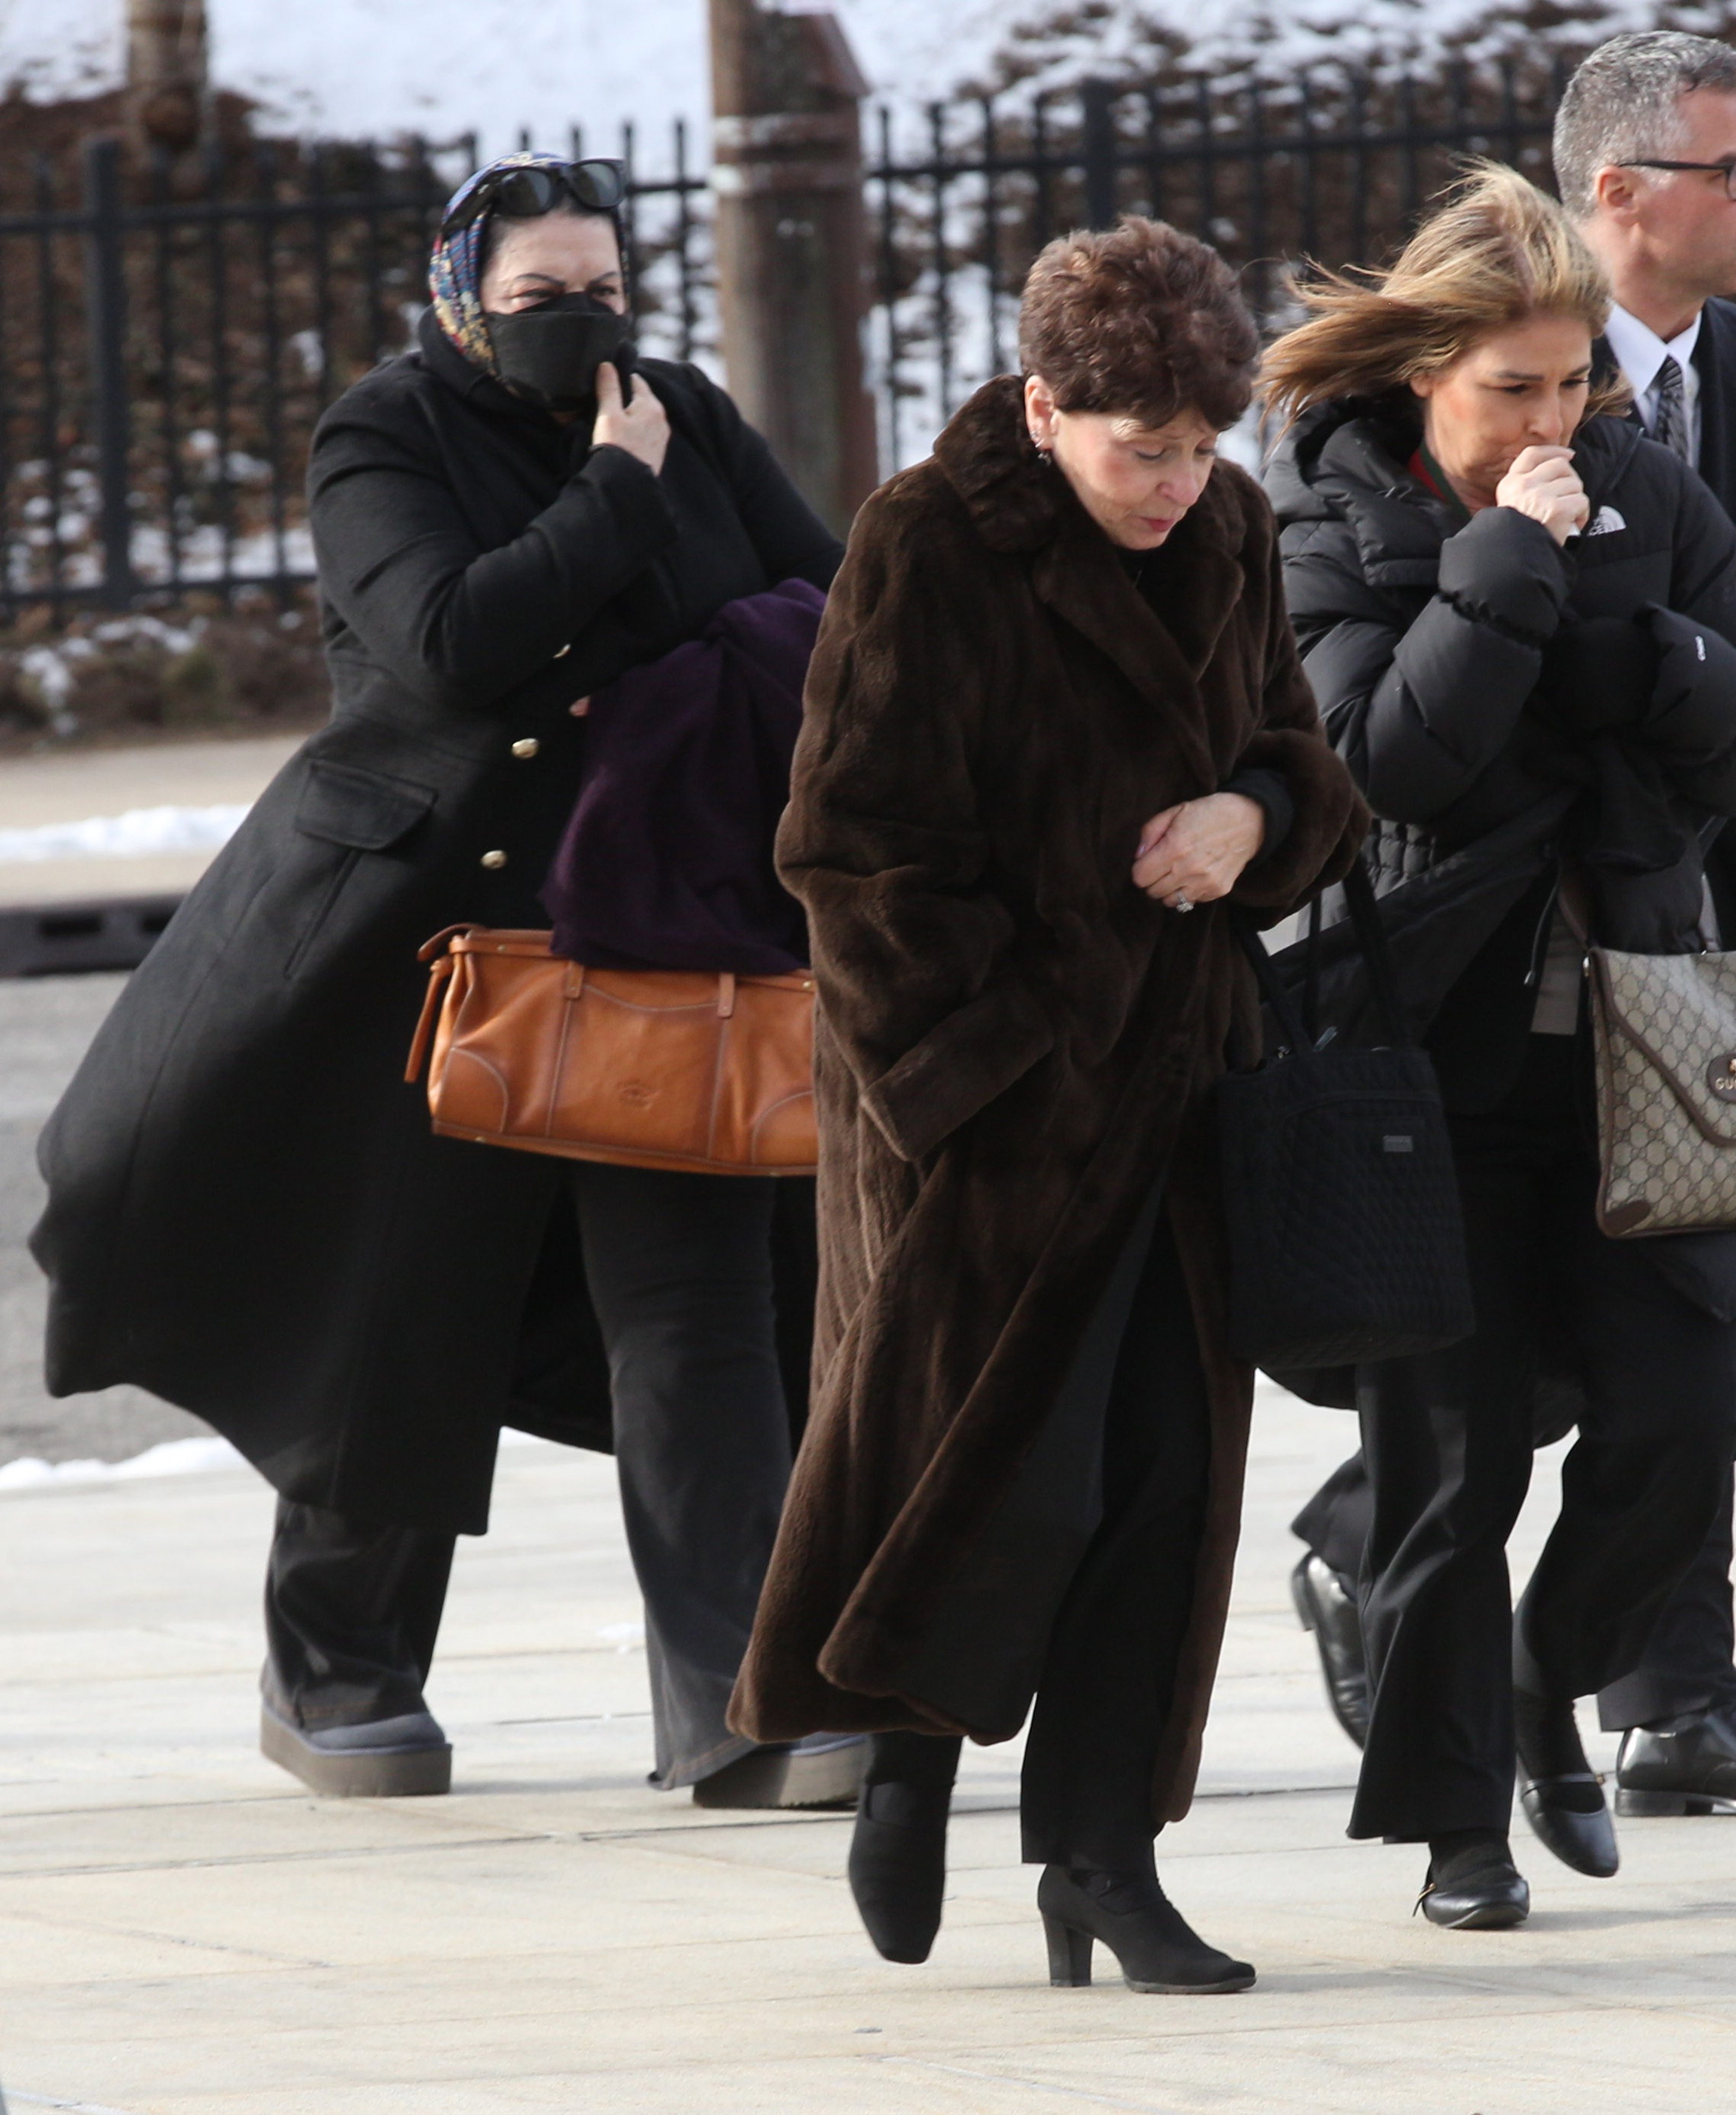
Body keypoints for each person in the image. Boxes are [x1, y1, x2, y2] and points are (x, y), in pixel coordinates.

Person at [32, 152, 859, 1811]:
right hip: (430, 940)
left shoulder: (679, 407)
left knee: (698, 1323)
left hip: (660, 935)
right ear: (459, 295)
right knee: (402, 1304)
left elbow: (839, 607)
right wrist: (612, 502)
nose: (582, 323)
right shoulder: (382, 434)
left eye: (604, 290)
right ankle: (336, 1669)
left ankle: (747, 1710)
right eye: (542, 296)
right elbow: (443, 643)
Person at [725, 217, 1365, 1992]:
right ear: (1041, 407)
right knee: (997, 1476)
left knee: (1160, 1494)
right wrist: (987, 1077)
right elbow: (847, 852)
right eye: (1134, 448)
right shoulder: (930, 543)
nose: (1172, 483)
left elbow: (1304, 764)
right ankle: (908, 1765)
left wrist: (1253, 821)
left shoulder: (1231, 532)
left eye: (1195, 445)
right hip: (990, 1126)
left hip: (1181, 1104)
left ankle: (1099, 1857)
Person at [1289, 30, 1736, 1831]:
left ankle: (1631, 1690)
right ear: (1614, 191)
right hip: (1452, 1003)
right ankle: (1534, 1744)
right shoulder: (1365, 488)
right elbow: (1383, 756)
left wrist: (1686, 735)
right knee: (1464, 1429)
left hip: (1689, 929)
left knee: (1693, 1357)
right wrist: (1529, 584)